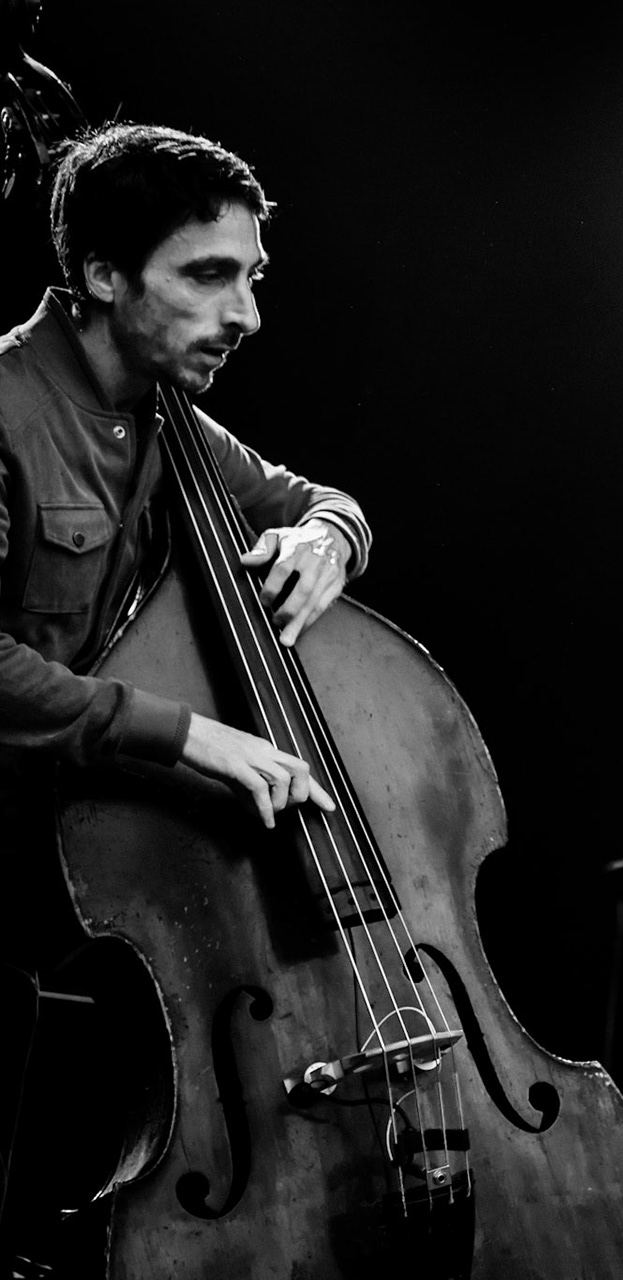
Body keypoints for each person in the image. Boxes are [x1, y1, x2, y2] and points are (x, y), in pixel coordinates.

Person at [1, 122, 369, 1259]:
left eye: (252, 277)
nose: (247, 314)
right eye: (208, 276)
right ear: (103, 275)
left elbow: (321, 498)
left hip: (84, 865)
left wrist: (329, 536)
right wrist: (184, 733)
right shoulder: (7, 408)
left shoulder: (164, 411)